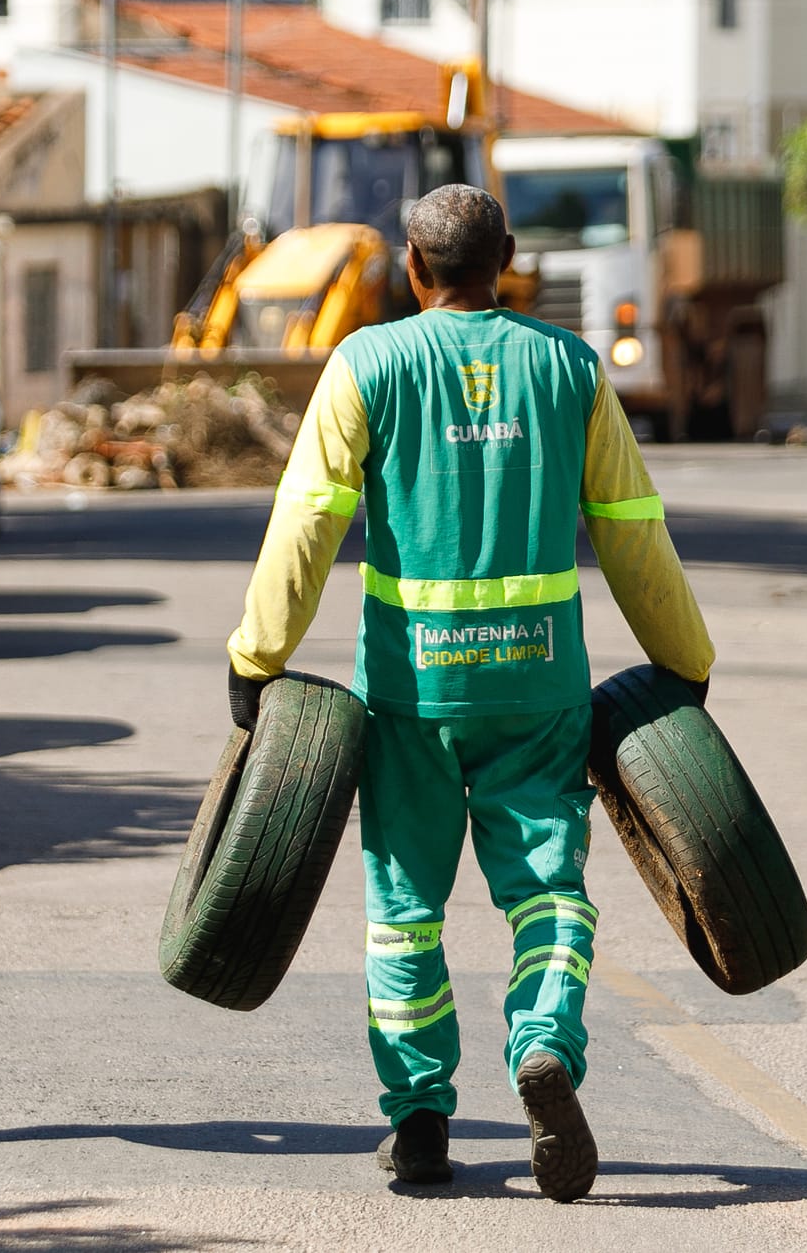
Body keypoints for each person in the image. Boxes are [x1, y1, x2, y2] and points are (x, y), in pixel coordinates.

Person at [225, 184, 714, 1200]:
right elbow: (629, 525)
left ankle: (416, 1120)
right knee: (547, 891)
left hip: (410, 693)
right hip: (538, 689)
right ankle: (541, 1044)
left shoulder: (368, 362)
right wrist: (684, 656)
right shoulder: (569, 368)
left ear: (410, 265)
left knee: (404, 910)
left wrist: (255, 656)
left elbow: (307, 519)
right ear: (509, 260)